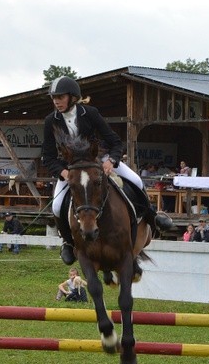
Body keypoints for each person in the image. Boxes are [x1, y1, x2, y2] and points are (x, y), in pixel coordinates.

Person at [41, 76, 173, 265]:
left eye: (60, 97)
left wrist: (111, 160)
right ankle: (68, 243)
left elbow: (114, 142)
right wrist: (63, 172)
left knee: (136, 180)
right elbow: (48, 156)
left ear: (72, 97)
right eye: (53, 97)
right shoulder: (50, 121)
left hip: (99, 160)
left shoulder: (90, 113)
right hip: (71, 169)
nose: (56, 101)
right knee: (56, 205)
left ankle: (153, 218)